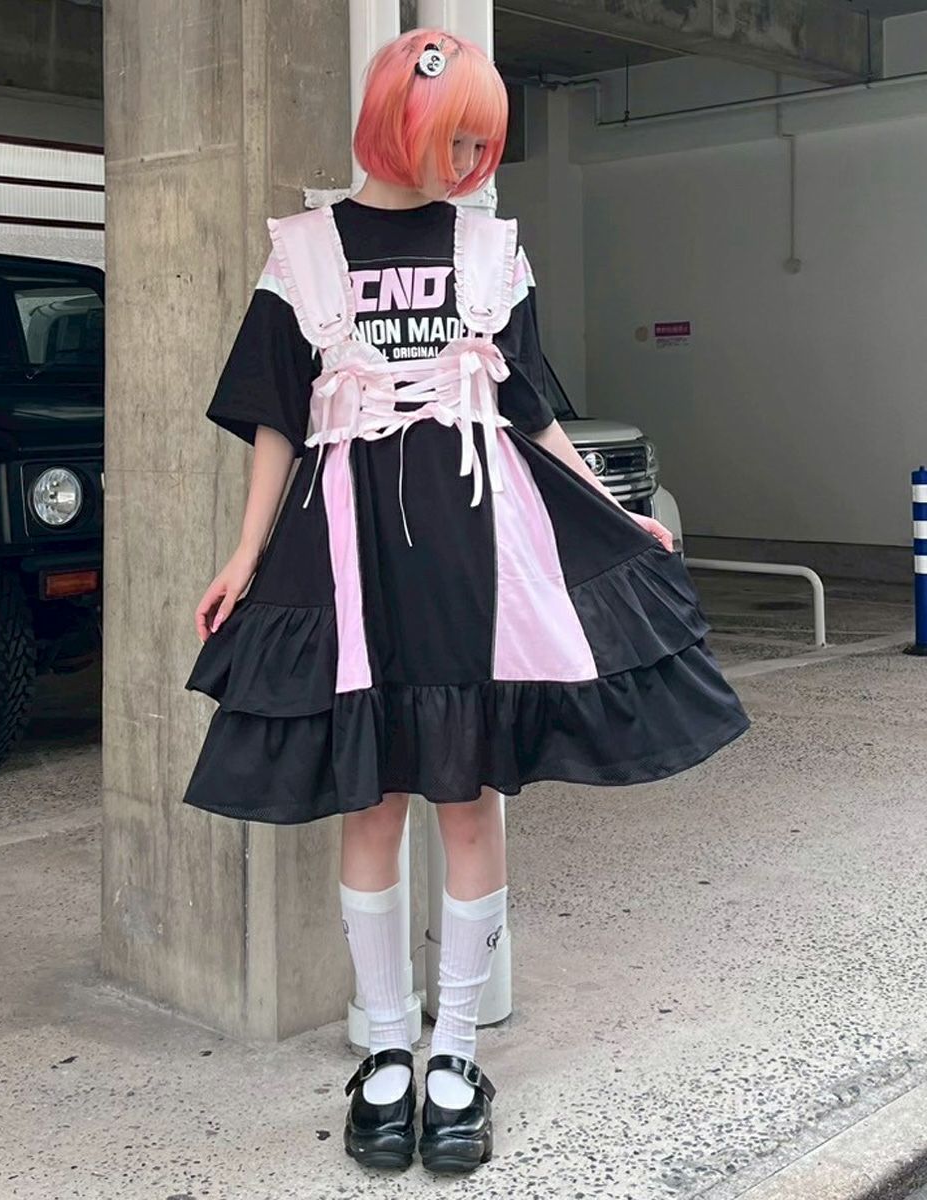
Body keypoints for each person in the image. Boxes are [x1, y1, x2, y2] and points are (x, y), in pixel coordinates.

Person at [180, 27, 751, 1176]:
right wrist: (243, 554)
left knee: (468, 800)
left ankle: (452, 1056)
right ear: (398, 123)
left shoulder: (491, 251)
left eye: (480, 142)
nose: (469, 159)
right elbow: (279, 416)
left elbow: (529, 409)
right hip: (348, 561)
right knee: (373, 800)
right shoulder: (302, 252)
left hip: (472, 560)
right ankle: (386, 1050)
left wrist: (612, 510)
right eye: (456, 137)